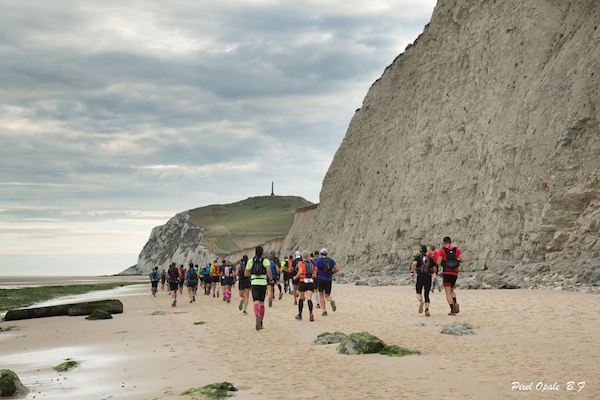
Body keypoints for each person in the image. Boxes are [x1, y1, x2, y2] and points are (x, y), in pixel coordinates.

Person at [245, 246, 273, 330]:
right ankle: (260, 321)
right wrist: (271, 279)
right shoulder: (265, 261)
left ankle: (256, 315)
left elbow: (246, 273)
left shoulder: (250, 261)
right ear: (262, 252)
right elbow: (268, 271)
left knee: (255, 302)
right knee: (261, 303)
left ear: (255, 252)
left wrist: (251, 274)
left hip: (254, 283)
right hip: (263, 283)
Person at [436, 236, 464, 316]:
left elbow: (438, 262)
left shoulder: (442, 250)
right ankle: (455, 303)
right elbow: (462, 259)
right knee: (452, 289)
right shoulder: (456, 250)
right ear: (451, 242)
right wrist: (456, 260)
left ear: (444, 242)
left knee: (447, 291)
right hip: (455, 272)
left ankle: (452, 310)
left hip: (447, 272)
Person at [410, 245, 435, 316]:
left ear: (420, 250)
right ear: (426, 251)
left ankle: (421, 301)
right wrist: (434, 276)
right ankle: (427, 310)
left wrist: (412, 272)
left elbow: (414, 264)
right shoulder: (429, 258)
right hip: (428, 277)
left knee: (418, 292)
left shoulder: (417, 257)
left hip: (420, 276)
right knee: (426, 294)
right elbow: (433, 268)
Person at [315, 248, 339, 316]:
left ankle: (324, 311)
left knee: (321, 295)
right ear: (327, 253)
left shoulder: (318, 261)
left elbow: (316, 271)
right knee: (327, 295)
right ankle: (330, 300)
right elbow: (337, 269)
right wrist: (332, 273)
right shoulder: (331, 260)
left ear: (320, 253)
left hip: (321, 279)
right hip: (329, 279)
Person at [294, 251, 317, 321]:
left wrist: (296, 277)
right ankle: (311, 313)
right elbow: (315, 274)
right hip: (310, 281)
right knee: (309, 298)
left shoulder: (300, 263)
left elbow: (300, 271)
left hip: (302, 281)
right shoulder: (311, 264)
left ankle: (300, 314)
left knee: (301, 298)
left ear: (302, 256)